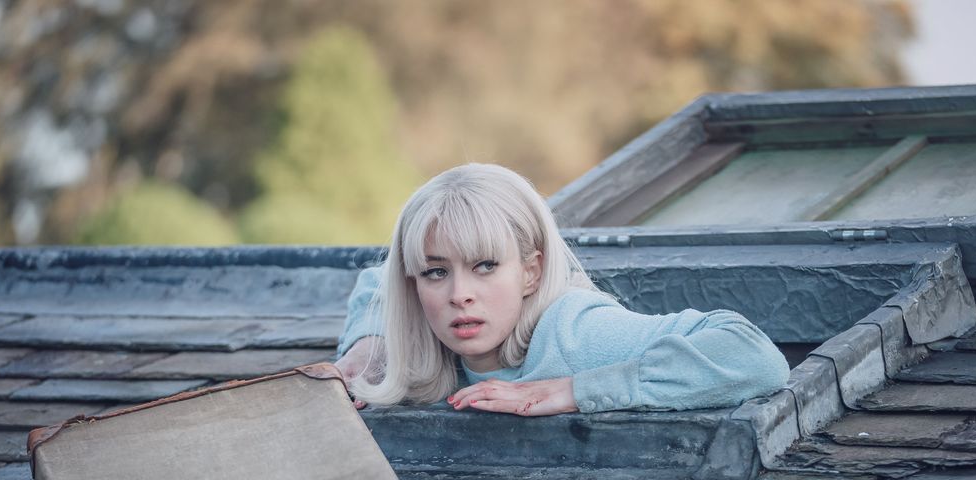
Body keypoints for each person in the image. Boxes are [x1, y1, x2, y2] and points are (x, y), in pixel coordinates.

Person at [336, 163, 789, 416]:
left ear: (531, 272)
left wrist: (575, 389)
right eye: (436, 272)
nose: (460, 294)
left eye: (486, 266)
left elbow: (752, 353)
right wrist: (370, 342)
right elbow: (379, 280)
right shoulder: (414, 314)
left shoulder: (576, 334)